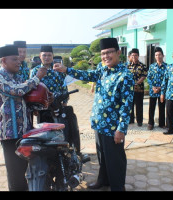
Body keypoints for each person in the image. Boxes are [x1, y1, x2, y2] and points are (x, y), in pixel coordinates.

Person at [53, 38, 134, 191]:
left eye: (109, 52)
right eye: (103, 53)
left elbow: (126, 105)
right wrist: (67, 70)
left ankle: (118, 186)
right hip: (99, 123)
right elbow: (88, 75)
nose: (106, 56)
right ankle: (103, 180)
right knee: (102, 156)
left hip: (113, 126)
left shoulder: (125, 76)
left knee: (115, 158)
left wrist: (121, 129)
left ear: (118, 52)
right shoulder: (102, 69)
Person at [0, 45, 47, 191]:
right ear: (3, 61)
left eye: (19, 59)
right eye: (14, 59)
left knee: (25, 170)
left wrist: (45, 100)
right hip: (10, 134)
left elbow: (27, 100)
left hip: (25, 132)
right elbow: (16, 91)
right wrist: (37, 78)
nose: (19, 62)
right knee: (15, 176)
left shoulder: (19, 77)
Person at [30, 45, 81, 154]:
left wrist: (65, 102)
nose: (47, 57)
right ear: (40, 56)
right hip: (42, 108)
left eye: (49, 55)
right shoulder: (35, 71)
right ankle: (48, 156)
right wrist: (34, 108)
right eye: (44, 55)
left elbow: (64, 87)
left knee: (61, 131)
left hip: (58, 106)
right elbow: (32, 89)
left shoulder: (58, 68)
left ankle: (62, 154)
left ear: (53, 56)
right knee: (45, 132)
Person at [126, 48, 148, 127]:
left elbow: (144, 76)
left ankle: (139, 121)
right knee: (130, 105)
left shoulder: (142, 65)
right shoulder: (127, 66)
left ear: (138, 56)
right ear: (130, 56)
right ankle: (131, 119)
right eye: (132, 55)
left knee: (139, 105)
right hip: (129, 90)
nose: (134, 57)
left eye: (136, 55)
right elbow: (125, 76)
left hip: (139, 89)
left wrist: (136, 83)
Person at [147, 47, 167, 130]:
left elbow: (167, 78)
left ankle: (162, 123)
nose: (158, 56)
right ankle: (150, 123)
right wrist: (153, 87)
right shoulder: (152, 66)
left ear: (162, 55)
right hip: (153, 91)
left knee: (162, 107)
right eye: (156, 55)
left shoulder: (167, 67)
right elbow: (149, 77)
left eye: (159, 55)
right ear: (155, 56)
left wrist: (160, 88)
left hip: (162, 91)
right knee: (151, 107)